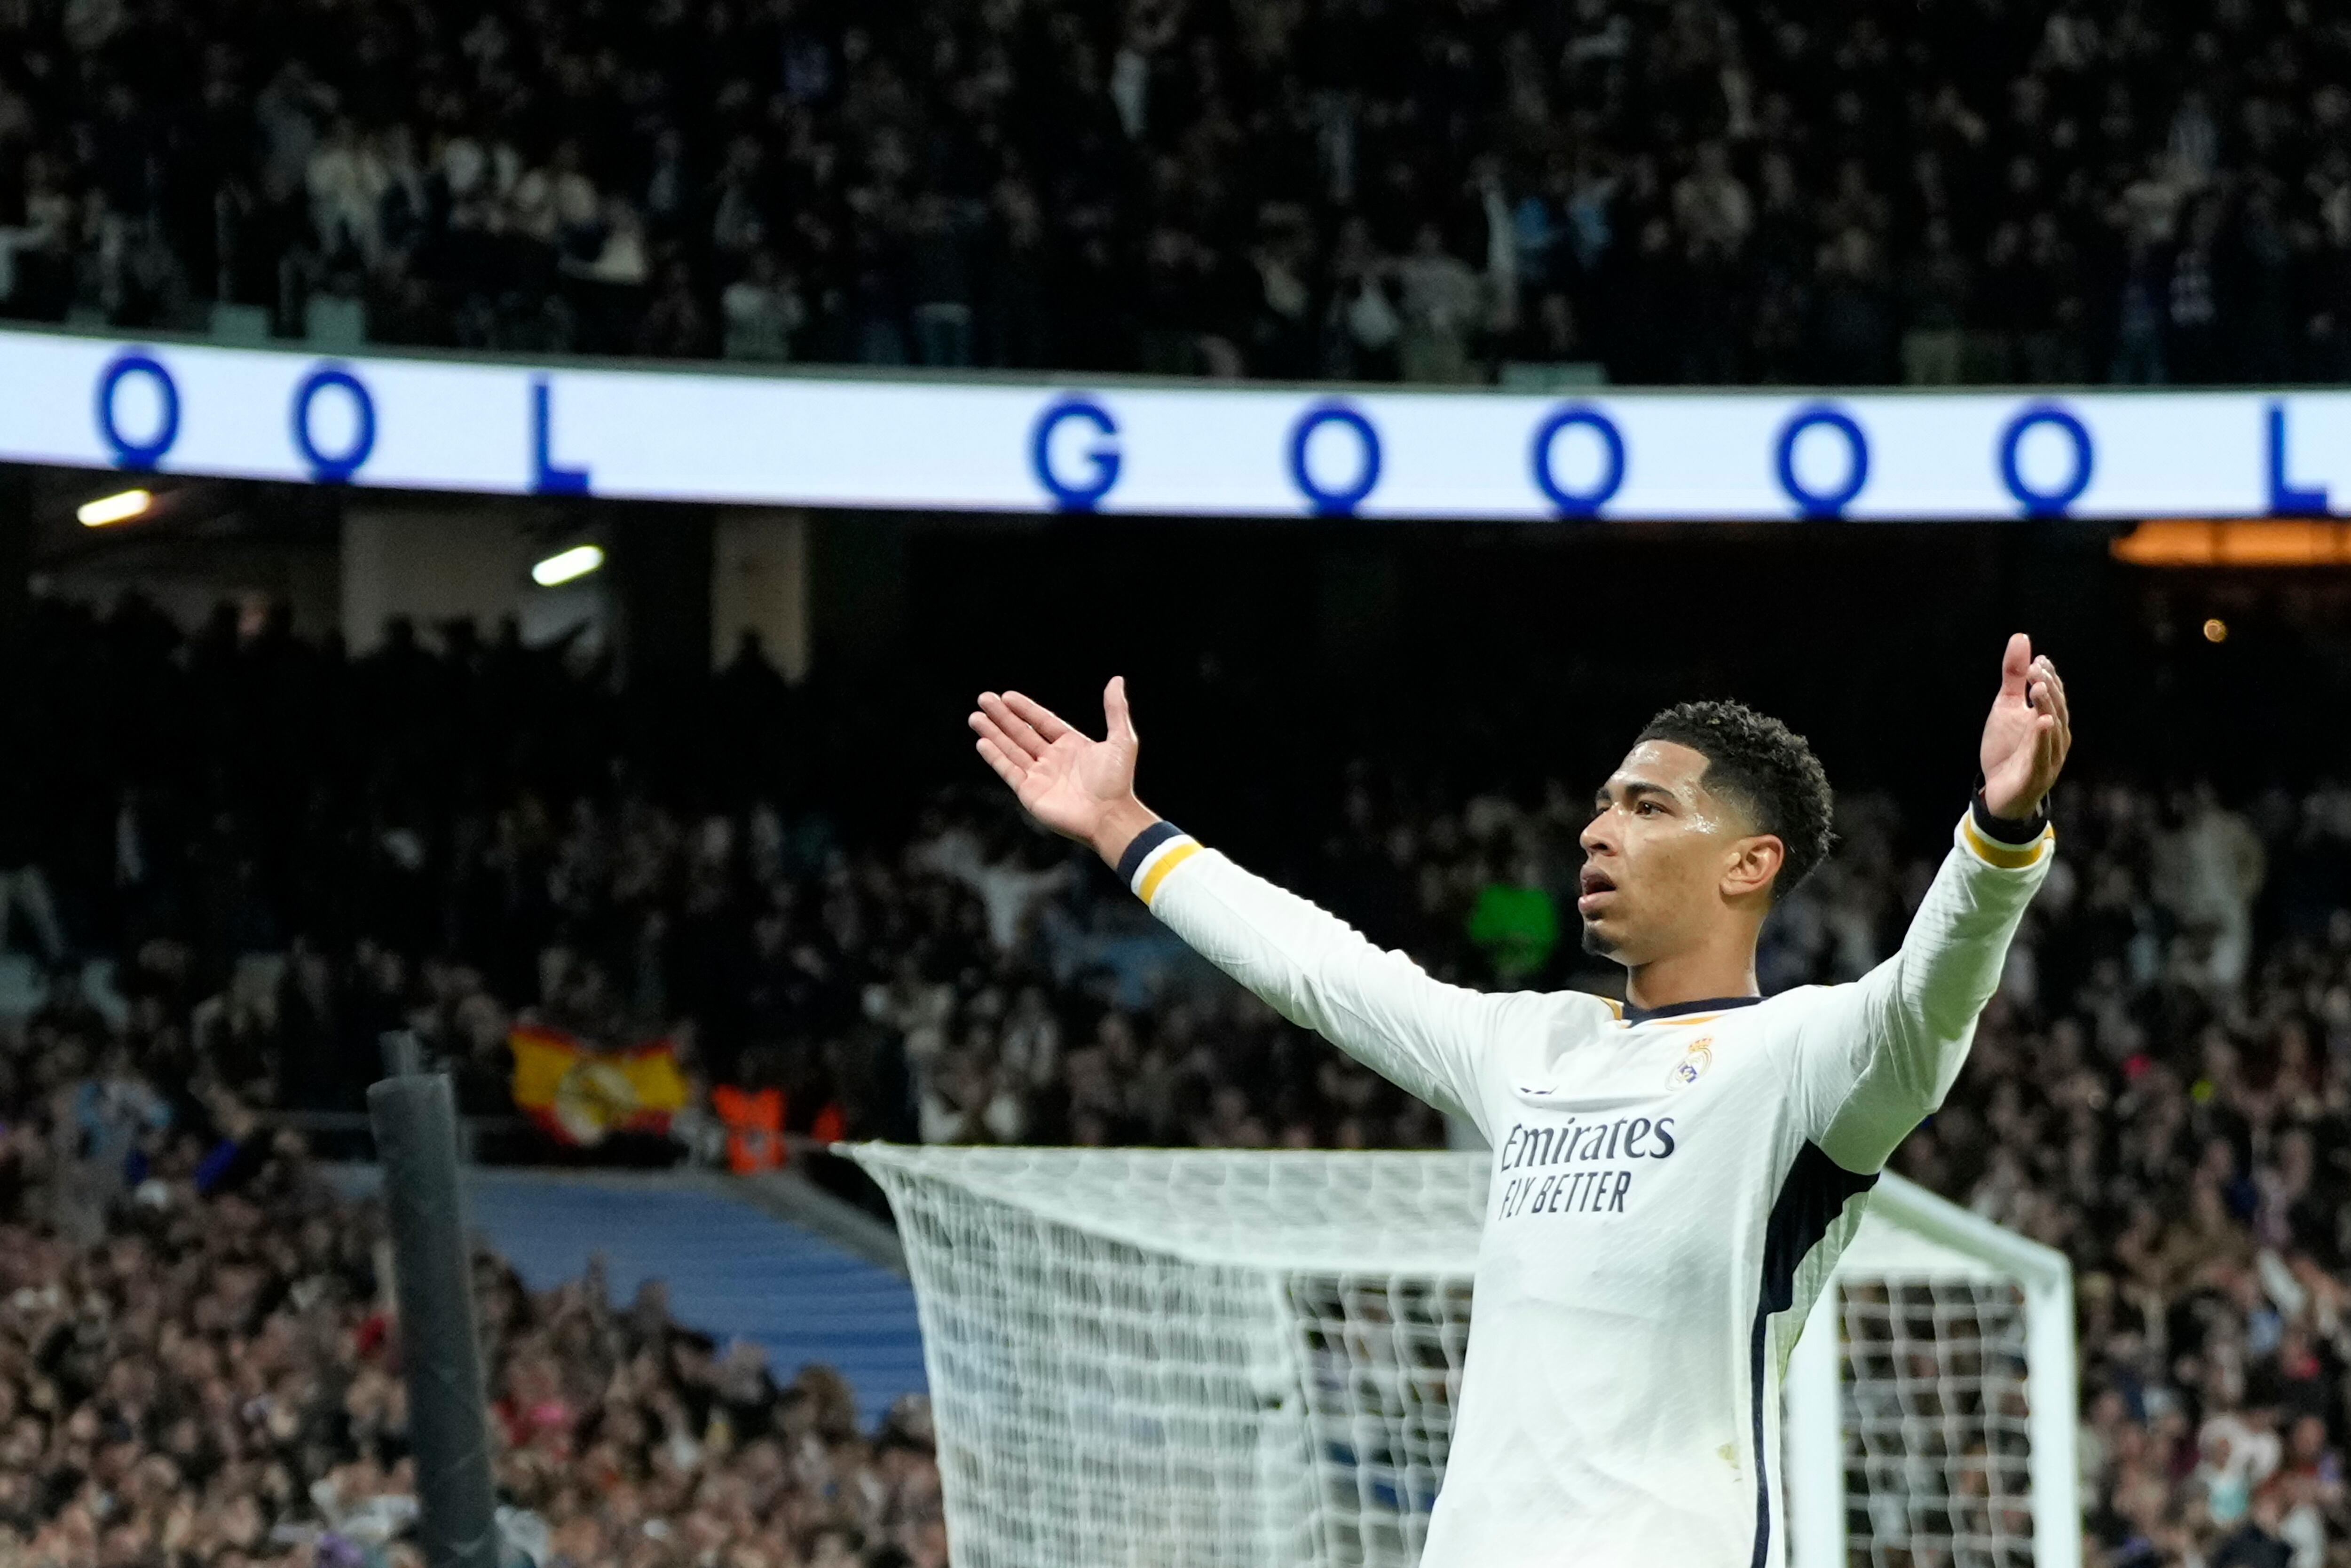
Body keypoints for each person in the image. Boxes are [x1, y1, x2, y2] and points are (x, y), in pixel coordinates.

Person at [966, 634, 2071, 1566]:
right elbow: (1323, 972)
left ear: (1749, 864)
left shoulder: (1803, 1059)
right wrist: (1124, 827)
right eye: (1602, 805)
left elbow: (1935, 992)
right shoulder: (1535, 1045)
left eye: (1646, 806)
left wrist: (1999, 834)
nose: (1597, 830)